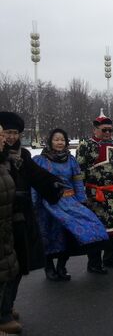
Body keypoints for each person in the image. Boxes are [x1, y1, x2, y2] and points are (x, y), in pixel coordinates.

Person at [0, 112, 62, 334]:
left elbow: (37, 175)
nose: (11, 137)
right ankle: (2, 313)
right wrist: (14, 196)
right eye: (7, 132)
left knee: (17, 267)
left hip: (21, 217)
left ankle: (7, 305)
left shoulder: (22, 155)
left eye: (15, 133)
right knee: (6, 268)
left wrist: (52, 183)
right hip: (5, 218)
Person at [32, 129, 108, 281]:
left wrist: (81, 201)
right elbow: (34, 184)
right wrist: (34, 203)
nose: (60, 143)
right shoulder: (39, 160)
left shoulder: (71, 160)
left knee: (69, 235)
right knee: (48, 236)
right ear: (50, 142)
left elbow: (78, 181)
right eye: (56, 139)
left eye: (62, 140)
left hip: (69, 203)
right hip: (48, 204)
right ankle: (49, 267)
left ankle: (61, 266)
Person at [76, 110, 113, 273]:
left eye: (110, 130)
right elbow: (80, 171)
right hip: (95, 195)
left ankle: (110, 258)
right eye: (104, 130)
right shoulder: (85, 145)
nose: (107, 133)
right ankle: (94, 262)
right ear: (95, 129)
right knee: (96, 228)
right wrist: (83, 194)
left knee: (112, 228)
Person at [0, 125, 21, 334]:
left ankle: (3, 311)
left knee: (7, 270)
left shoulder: (4, 160)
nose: (4, 139)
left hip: (5, 224)